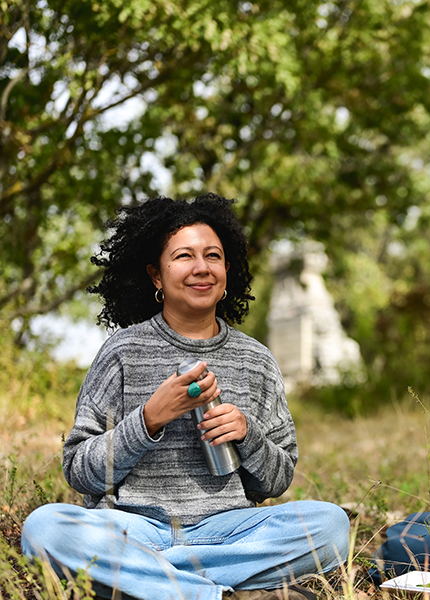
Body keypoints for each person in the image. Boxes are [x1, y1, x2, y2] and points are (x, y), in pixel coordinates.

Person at [21, 193, 350, 600]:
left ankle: (148, 581)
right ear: (156, 276)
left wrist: (247, 435)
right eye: (183, 257)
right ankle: (217, 593)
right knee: (44, 528)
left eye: (213, 256)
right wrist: (147, 421)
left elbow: (277, 480)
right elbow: (79, 470)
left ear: (228, 270)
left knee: (332, 526)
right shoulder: (124, 350)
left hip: (226, 530)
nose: (201, 268)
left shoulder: (255, 359)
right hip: (133, 528)